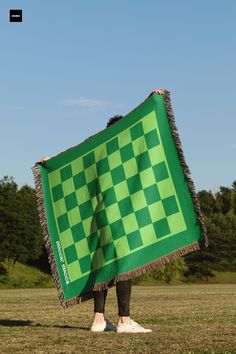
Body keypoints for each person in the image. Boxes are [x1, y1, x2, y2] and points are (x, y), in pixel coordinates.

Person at [41, 89, 165, 333]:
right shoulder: (127, 153)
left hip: (98, 220)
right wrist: (153, 101)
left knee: (102, 265)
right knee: (124, 263)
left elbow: (77, 166)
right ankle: (124, 321)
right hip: (120, 216)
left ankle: (98, 320)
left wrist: (52, 163)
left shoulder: (98, 154)